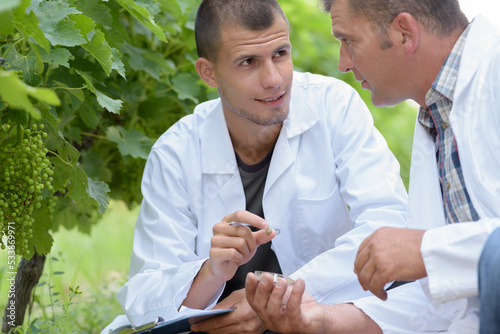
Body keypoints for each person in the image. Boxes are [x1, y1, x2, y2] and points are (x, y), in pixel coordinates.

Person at [101, 0, 409, 333]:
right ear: (208, 73)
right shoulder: (176, 153)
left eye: (280, 54)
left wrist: (278, 296)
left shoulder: (335, 107)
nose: (274, 79)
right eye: (249, 62)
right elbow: (146, 294)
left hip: (323, 319)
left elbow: (388, 224)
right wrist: (210, 272)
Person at [246, 0, 500, 333]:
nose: (342, 64)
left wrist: (427, 250)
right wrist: (326, 320)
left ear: (405, 33)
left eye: (348, 40)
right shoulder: (436, 119)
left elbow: (448, 262)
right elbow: (448, 303)